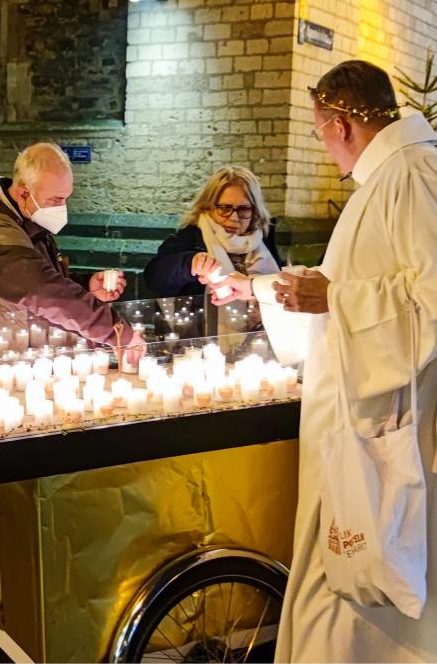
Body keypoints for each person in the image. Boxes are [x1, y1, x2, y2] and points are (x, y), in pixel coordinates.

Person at [217, 60, 437, 661]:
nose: (323, 146)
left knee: (351, 604)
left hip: (382, 436)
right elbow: (349, 287)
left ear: (340, 124)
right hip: (355, 426)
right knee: (332, 594)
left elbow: (431, 299)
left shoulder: (412, 175)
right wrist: (260, 290)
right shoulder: (389, 179)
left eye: (319, 131)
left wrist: (334, 297)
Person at [0, 142, 143, 357]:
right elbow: (41, 289)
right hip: (3, 356)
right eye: (55, 199)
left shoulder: (27, 219)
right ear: (23, 194)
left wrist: (85, 286)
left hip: (33, 350)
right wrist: (115, 331)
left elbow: (45, 275)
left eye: (66, 197)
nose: (62, 206)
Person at [143, 165, 282, 297]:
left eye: (244, 209)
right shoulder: (190, 236)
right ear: (209, 206)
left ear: (255, 210)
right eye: (225, 208)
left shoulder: (263, 238)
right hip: (204, 321)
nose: (234, 218)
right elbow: (154, 278)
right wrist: (189, 263)